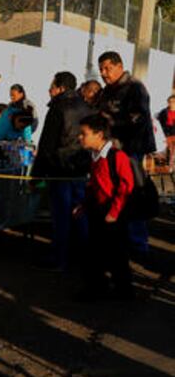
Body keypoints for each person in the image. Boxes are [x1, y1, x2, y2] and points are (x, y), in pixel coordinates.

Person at [32, 72, 93, 271]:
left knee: (61, 217)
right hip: (81, 168)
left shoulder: (58, 108)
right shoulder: (85, 106)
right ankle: (85, 257)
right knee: (80, 214)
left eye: (52, 85)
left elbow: (47, 145)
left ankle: (60, 259)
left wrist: (36, 174)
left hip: (60, 168)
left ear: (60, 87)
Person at [97, 51, 154, 256]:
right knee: (114, 195)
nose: (103, 73)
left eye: (107, 68)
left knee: (132, 194)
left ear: (119, 66)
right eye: (101, 69)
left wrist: (110, 120)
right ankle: (120, 240)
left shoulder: (134, 88)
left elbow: (138, 120)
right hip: (111, 150)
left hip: (131, 150)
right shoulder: (107, 90)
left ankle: (139, 244)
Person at [74, 114, 134, 301]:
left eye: (84, 134)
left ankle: (124, 291)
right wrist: (83, 205)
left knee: (117, 255)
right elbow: (93, 184)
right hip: (98, 211)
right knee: (94, 252)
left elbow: (126, 186)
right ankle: (96, 287)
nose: (80, 137)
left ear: (99, 134)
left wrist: (114, 213)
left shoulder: (117, 156)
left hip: (113, 213)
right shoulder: (95, 156)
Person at [157, 95, 175, 168]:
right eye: (170, 102)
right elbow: (158, 119)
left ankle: (171, 166)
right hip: (168, 135)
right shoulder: (164, 112)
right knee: (171, 150)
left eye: (173, 102)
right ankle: (171, 166)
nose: (171, 103)